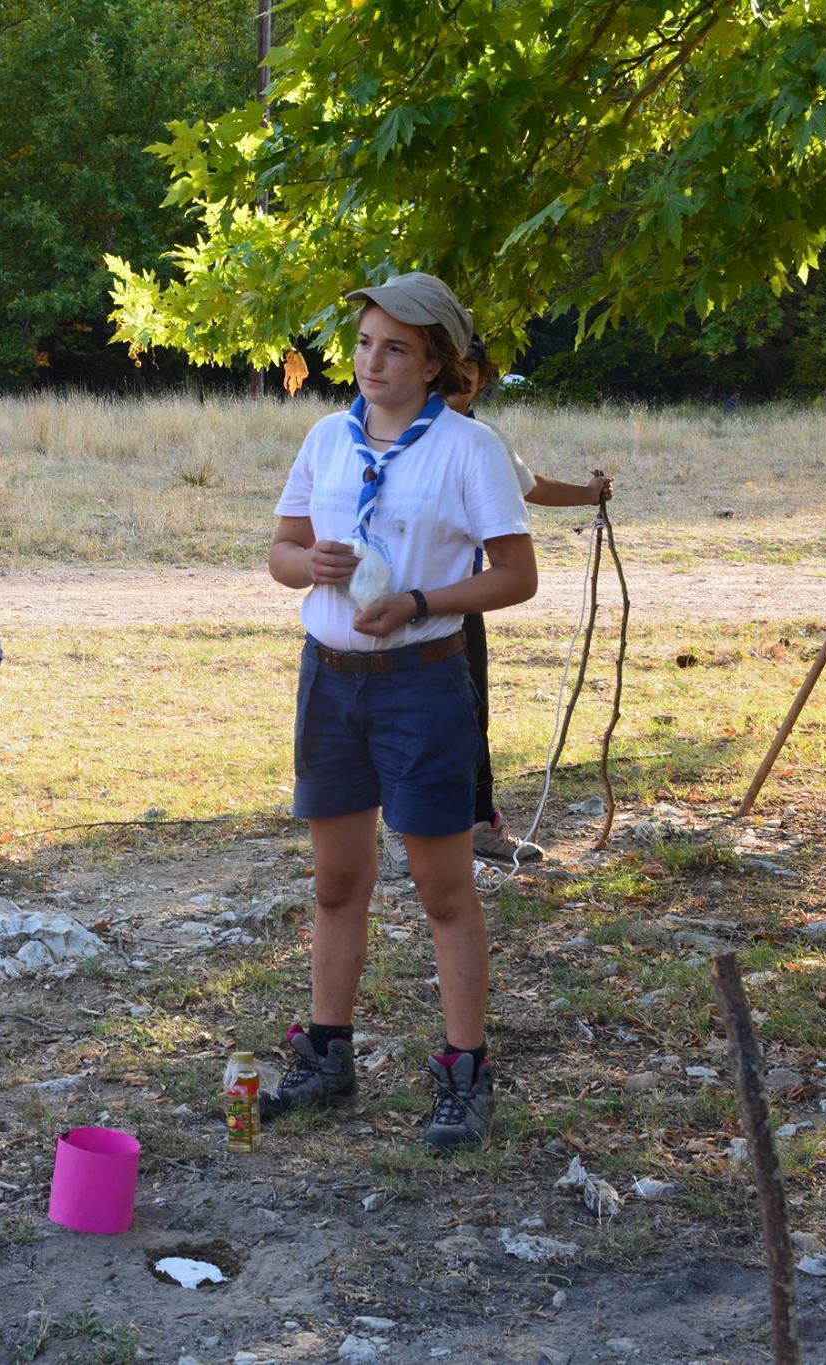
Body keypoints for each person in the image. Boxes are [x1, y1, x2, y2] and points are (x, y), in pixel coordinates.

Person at [262, 272, 536, 1149]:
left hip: (421, 682)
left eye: (395, 348)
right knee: (337, 882)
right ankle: (327, 1053)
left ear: (433, 363)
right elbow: (282, 551)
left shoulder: (468, 447)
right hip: (330, 679)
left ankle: (465, 1073)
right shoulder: (327, 438)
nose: (371, 362)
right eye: (364, 343)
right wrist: (312, 568)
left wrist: (420, 602)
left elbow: (517, 575)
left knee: (442, 888)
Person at [448, 339, 613, 865]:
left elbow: (526, 485)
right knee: (411, 712)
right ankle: (403, 832)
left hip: (461, 595)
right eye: (451, 365)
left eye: (471, 368)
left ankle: (476, 825)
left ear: (484, 379)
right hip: (401, 597)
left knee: (470, 711)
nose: (459, 377)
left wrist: (587, 494)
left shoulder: (483, 437)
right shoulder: (394, 431)